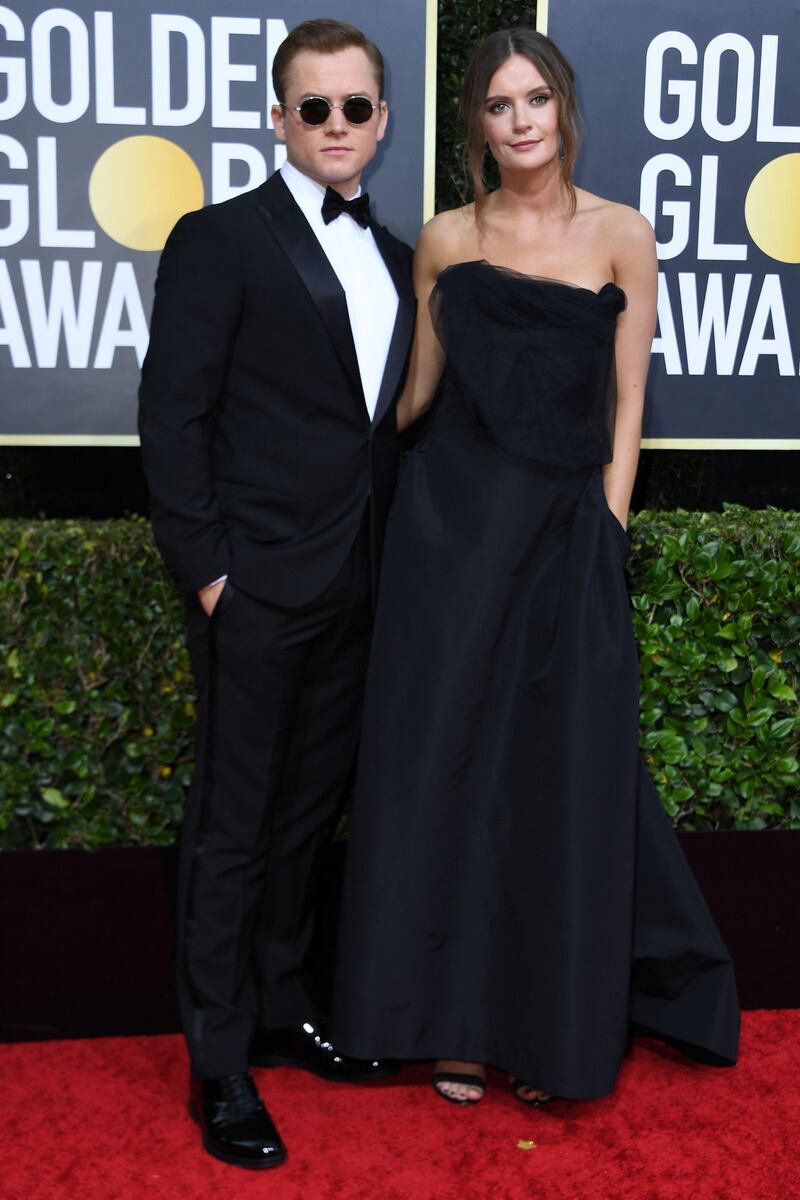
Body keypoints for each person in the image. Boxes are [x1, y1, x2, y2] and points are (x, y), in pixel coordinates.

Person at [333, 28, 739, 1107]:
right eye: (497, 105)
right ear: (474, 123)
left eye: (534, 100)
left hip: (561, 533)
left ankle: (544, 1025)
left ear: (562, 107)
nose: (518, 122)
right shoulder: (442, 240)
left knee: (550, 779)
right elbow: (414, 398)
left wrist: (603, 529)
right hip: (449, 540)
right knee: (446, 772)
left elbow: (626, 399)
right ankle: (455, 1023)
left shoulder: (621, 234)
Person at [138, 18, 414, 1168]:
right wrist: (211, 575)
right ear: (278, 116)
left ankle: (282, 1008)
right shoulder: (219, 239)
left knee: (308, 817)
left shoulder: (399, 258)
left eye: (355, 108)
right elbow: (173, 418)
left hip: (359, 581)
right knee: (236, 825)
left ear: (382, 119)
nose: (337, 127)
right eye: (315, 108)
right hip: (253, 588)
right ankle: (216, 1064)